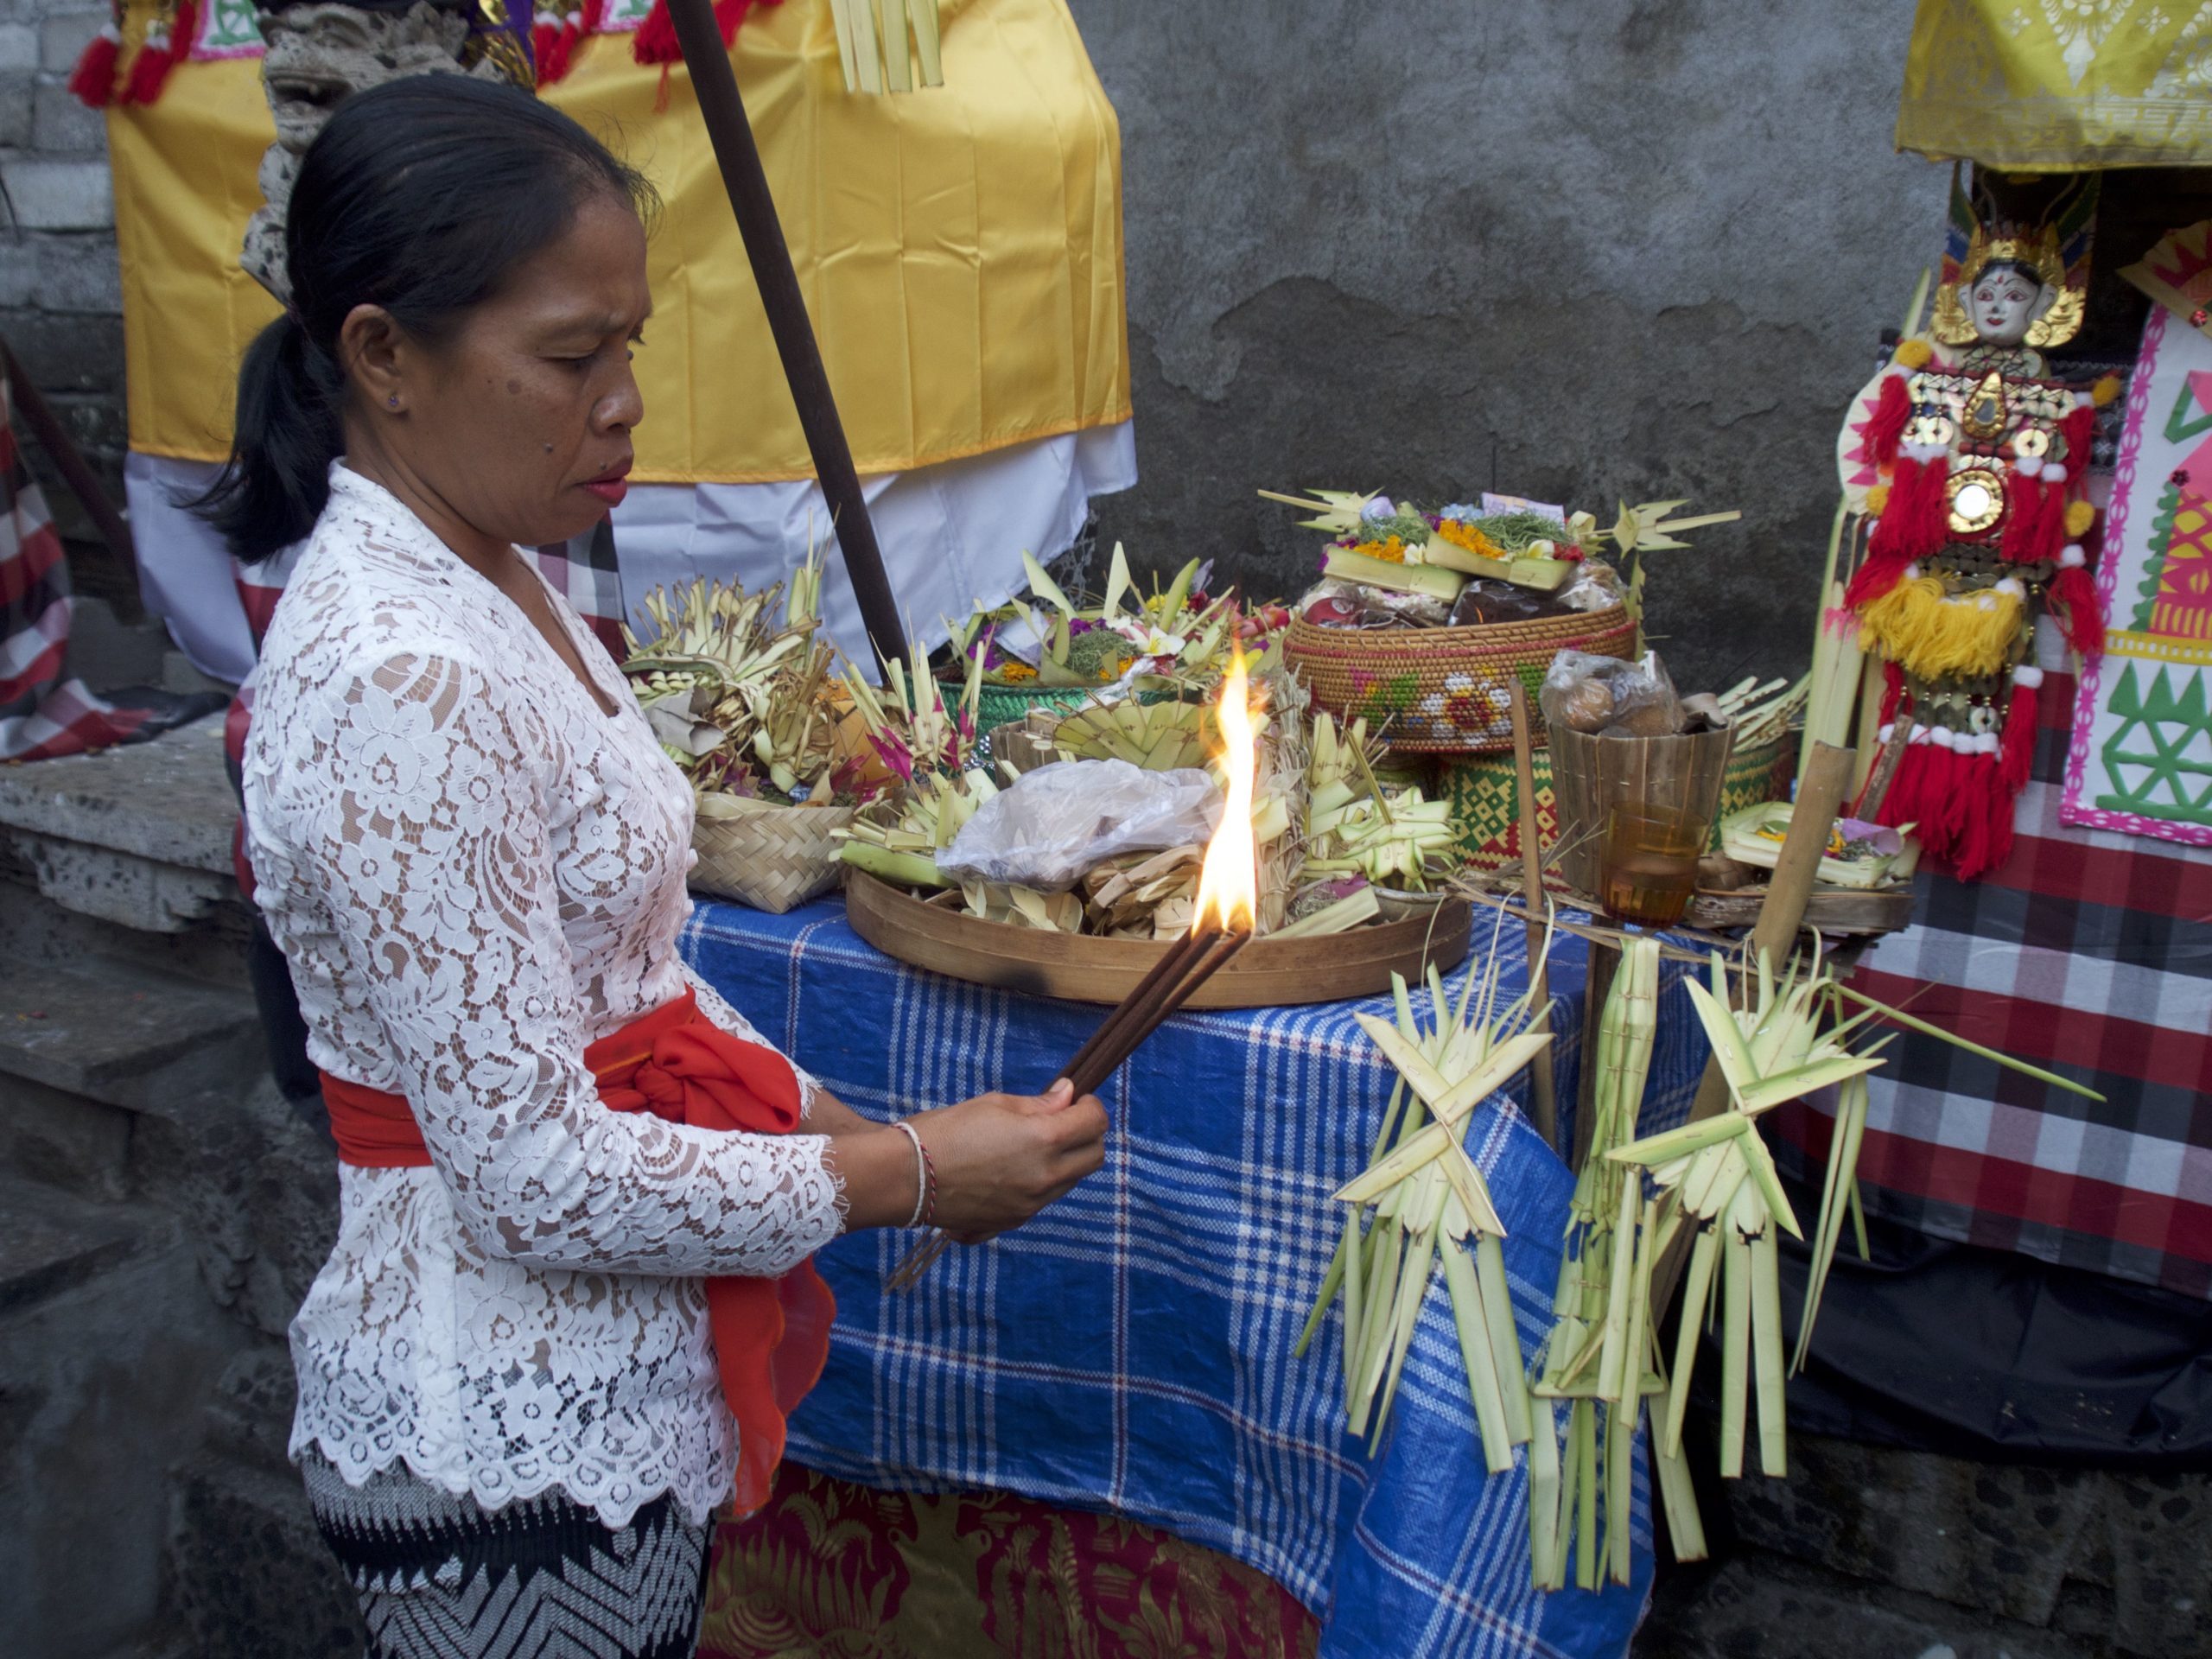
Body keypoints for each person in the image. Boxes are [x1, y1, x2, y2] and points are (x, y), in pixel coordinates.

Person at [200, 74, 1109, 1659]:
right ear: (381, 355)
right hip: (497, 1445)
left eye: (627, 344)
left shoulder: (509, 584)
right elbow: (536, 1175)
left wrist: (855, 1125)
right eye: (570, 356)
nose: (625, 400)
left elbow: (633, 980)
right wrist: (901, 1176)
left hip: (606, 1396)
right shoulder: (400, 676)